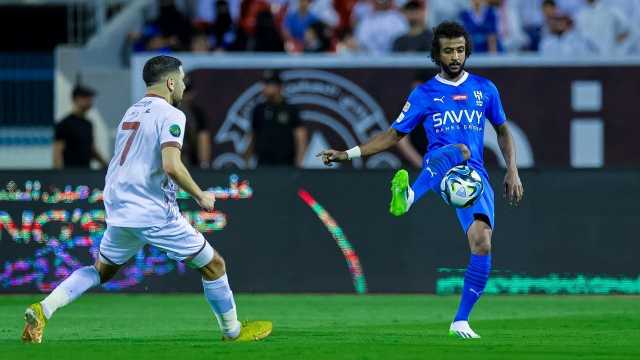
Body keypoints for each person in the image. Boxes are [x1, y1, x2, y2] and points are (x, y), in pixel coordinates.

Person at [22, 55, 272, 344]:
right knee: (214, 265)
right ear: (169, 82)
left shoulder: (132, 112)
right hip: (153, 212)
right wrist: (200, 194)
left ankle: (44, 309)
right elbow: (171, 165)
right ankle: (232, 332)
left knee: (99, 271)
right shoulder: (172, 114)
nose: (183, 85)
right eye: (181, 80)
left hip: (119, 207)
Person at [317, 21, 523, 339]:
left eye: (459, 50)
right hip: (439, 169)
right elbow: (393, 135)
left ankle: (461, 321)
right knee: (463, 149)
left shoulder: (485, 88)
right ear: (436, 55)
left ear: (466, 50)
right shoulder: (425, 94)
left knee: (482, 242)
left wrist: (513, 170)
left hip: (475, 178)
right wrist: (348, 153)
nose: (455, 56)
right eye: (448, 51)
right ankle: (410, 196)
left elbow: (503, 131)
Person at [245, 70, 308, 168]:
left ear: (279, 87)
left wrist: (299, 161)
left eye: (269, 84)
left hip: (286, 164)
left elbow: (300, 136)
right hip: (263, 163)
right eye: (264, 84)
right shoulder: (259, 109)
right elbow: (252, 135)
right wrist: (247, 159)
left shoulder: (290, 109)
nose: (265, 88)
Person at [53, 85, 108, 169]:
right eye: (86, 97)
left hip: (85, 173)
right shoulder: (64, 124)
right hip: (70, 173)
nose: (90, 100)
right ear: (76, 99)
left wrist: (106, 165)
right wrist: (59, 176)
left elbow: (91, 150)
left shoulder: (88, 124)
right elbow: (57, 152)